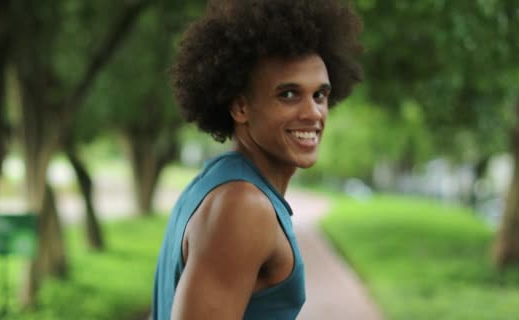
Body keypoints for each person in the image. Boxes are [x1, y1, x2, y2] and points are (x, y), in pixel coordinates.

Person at [152, 0, 363, 319]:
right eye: (288, 94)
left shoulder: (219, 182)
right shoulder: (243, 207)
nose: (313, 113)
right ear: (241, 108)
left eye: (319, 94)